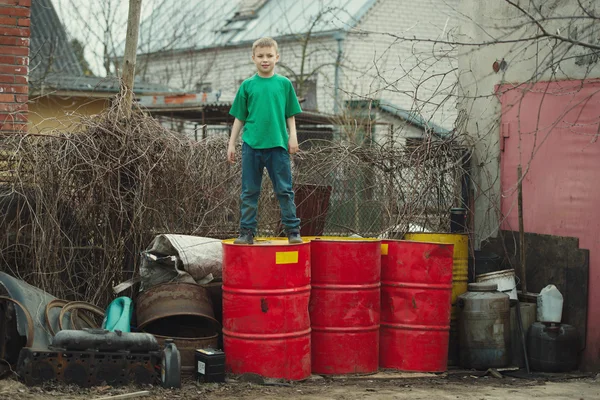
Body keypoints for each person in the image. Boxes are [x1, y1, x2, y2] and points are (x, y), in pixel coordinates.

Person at [227, 37, 303, 245]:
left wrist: (293, 136)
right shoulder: (247, 85)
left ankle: (292, 231)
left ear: (277, 57)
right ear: (253, 58)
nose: (265, 59)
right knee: (249, 191)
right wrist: (232, 143)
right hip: (252, 146)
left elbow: (290, 114)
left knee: (284, 190)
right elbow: (239, 117)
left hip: (278, 146)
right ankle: (246, 233)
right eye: (260, 56)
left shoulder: (284, 84)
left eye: (269, 55)